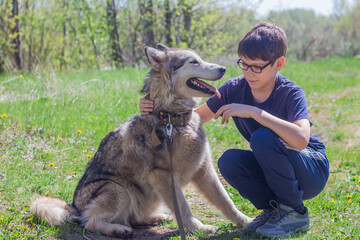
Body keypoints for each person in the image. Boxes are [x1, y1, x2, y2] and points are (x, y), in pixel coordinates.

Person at [139, 22, 329, 238]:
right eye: (244, 64)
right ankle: (274, 210)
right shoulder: (234, 88)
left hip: (311, 168)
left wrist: (255, 113)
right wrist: (156, 109)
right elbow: (195, 118)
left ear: (278, 64)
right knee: (229, 161)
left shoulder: (290, 92)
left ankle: (296, 213)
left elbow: (301, 140)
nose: (249, 73)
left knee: (262, 137)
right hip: (277, 167)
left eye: (256, 66)